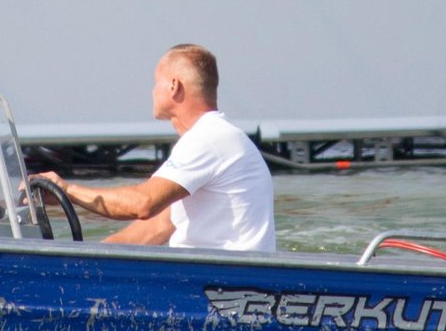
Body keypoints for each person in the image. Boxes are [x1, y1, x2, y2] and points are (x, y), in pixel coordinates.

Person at [32, 44, 275, 250]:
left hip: (224, 283)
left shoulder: (209, 138)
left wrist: (65, 189)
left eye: (156, 81)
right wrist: (88, 260)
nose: (151, 90)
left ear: (173, 86)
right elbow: (156, 228)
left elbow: (143, 204)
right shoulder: (208, 139)